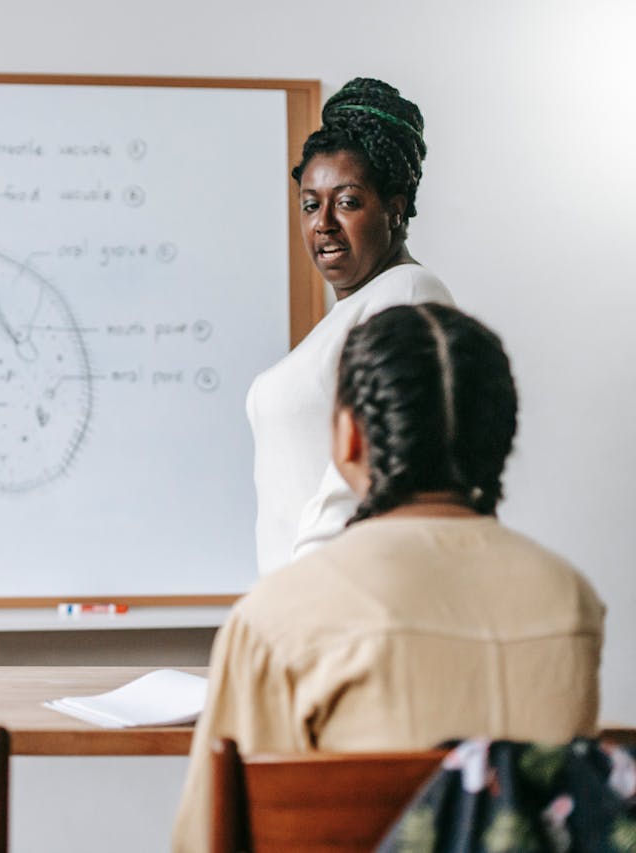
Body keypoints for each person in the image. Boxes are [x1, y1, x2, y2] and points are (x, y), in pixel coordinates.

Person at [173, 304, 605, 853]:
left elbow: (204, 838)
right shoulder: (569, 601)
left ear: (349, 439)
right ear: (500, 438)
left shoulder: (275, 617)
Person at [249, 77, 454, 575]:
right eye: (310, 204)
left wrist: (305, 600)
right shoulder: (354, 312)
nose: (323, 223)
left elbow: (371, 472)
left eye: (346, 201)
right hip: (308, 604)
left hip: (335, 601)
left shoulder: (406, 297)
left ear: (394, 208)